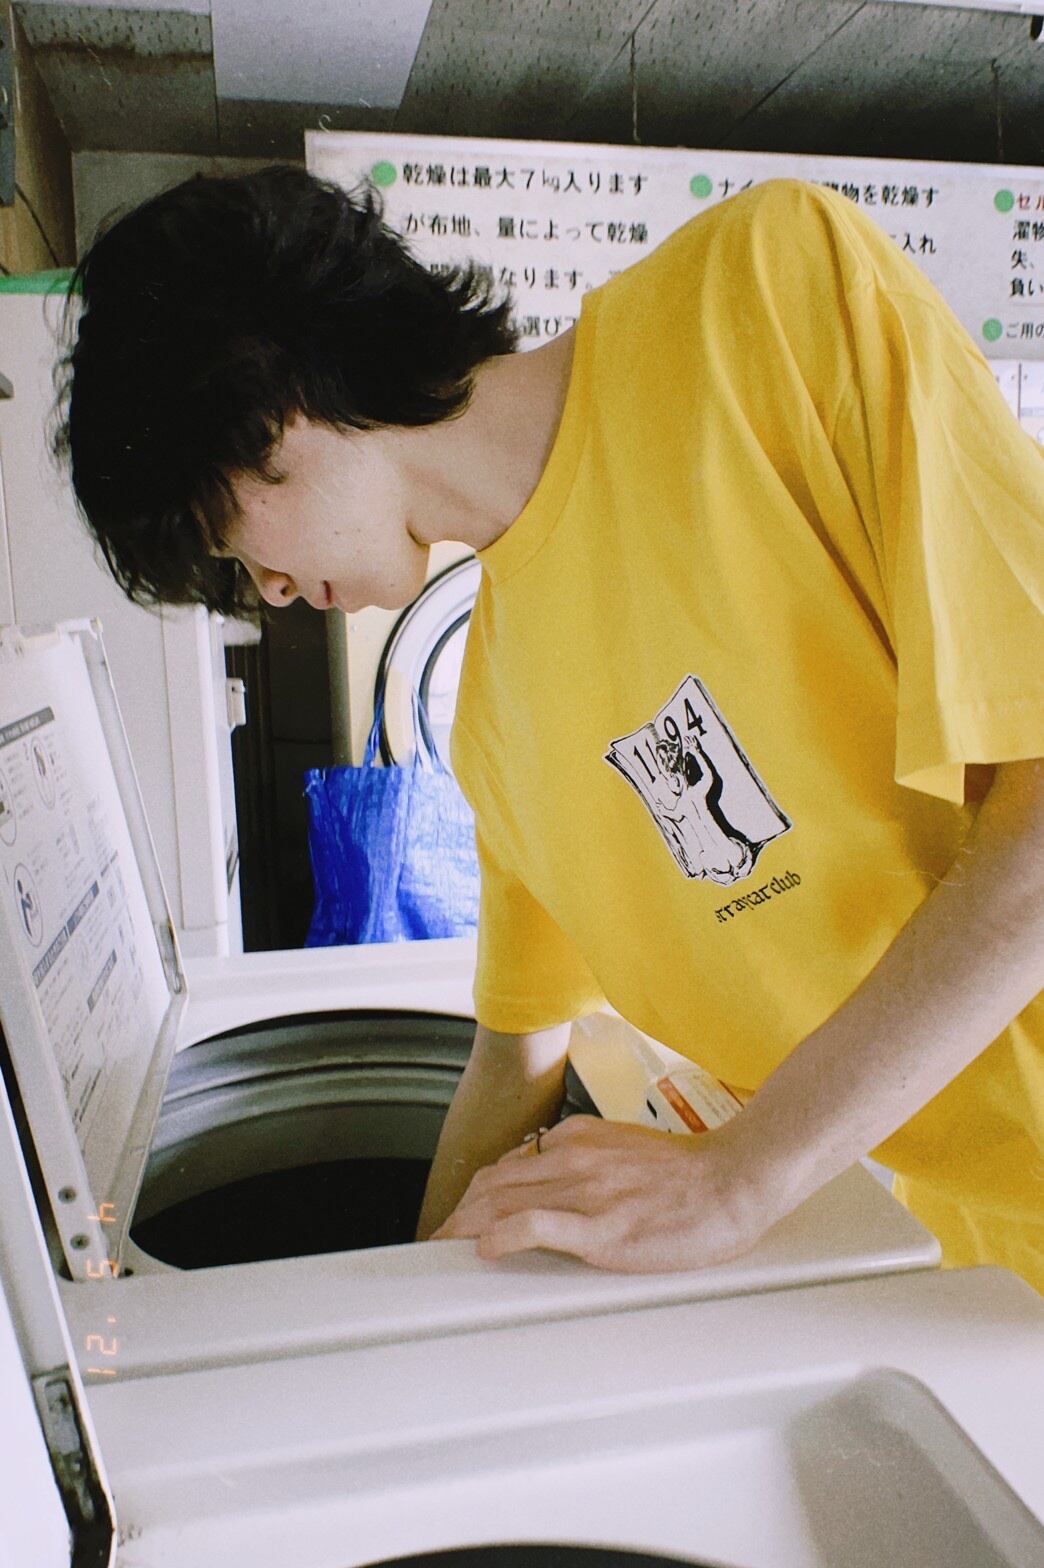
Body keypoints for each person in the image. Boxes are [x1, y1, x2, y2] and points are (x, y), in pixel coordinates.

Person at [55, 165, 1044, 1290]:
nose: (269, 589)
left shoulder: (767, 294)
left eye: (228, 535)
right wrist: (406, 1319)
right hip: (966, 1277)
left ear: (266, 398)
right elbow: (514, 1057)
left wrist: (738, 1177)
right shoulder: (493, 723)